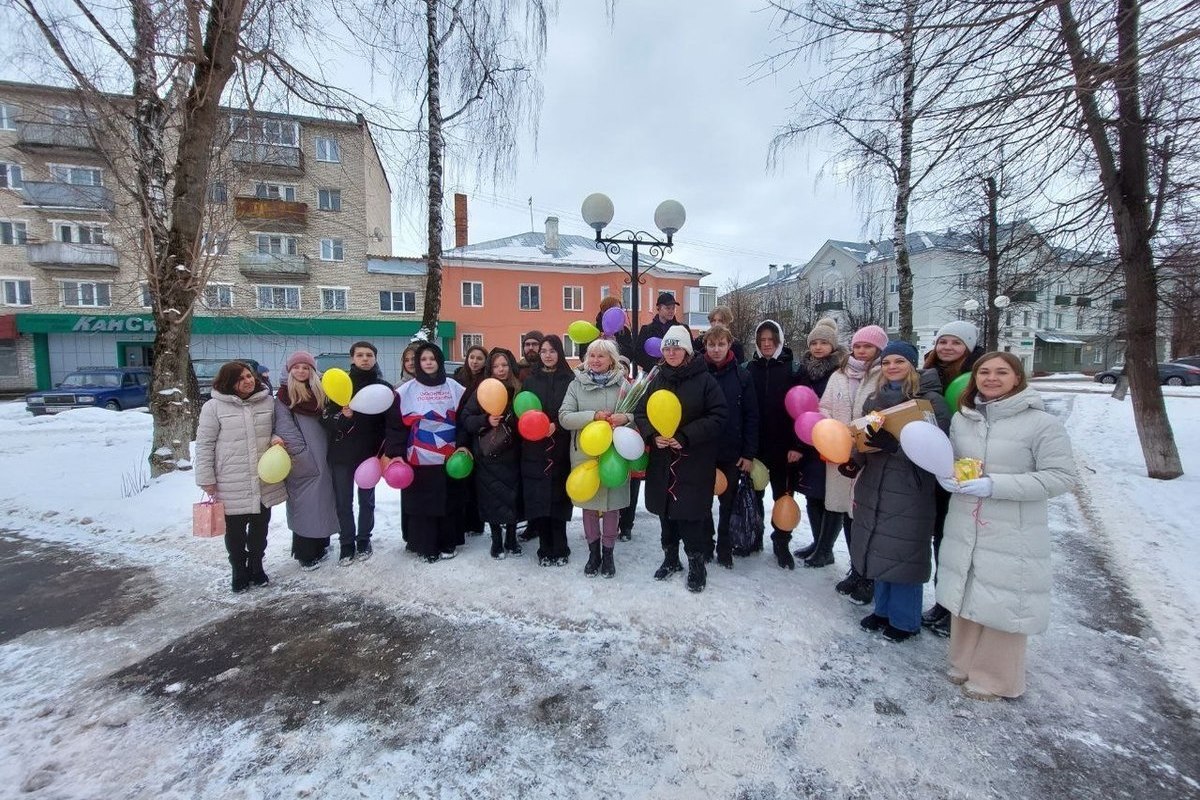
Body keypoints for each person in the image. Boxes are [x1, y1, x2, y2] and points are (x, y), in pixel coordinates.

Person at [936, 353, 1075, 700]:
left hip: (1013, 524)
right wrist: (946, 475)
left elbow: (1061, 477)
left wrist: (996, 484)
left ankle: (996, 677)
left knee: (1004, 600)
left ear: (1018, 378)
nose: (991, 378)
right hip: (967, 516)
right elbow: (951, 459)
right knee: (966, 589)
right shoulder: (963, 418)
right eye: (984, 372)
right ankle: (963, 662)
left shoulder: (1041, 424)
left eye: (1002, 372)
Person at [848, 341, 951, 642]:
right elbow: (863, 438)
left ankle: (905, 620)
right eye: (887, 362)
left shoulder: (930, 402)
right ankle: (882, 610)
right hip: (875, 481)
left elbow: (938, 448)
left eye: (900, 362)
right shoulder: (874, 400)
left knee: (904, 551)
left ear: (913, 365)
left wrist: (896, 448)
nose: (892, 367)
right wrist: (855, 461)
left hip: (910, 487)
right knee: (879, 547)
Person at [636, 325, 728, 592]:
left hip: (694, 460)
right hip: (663, 460)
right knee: (666, 513)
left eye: (676, 347)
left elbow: (719, 415)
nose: (671, 352)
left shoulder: (705, 380)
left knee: (691, 516)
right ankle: (670, 558)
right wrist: (653, 435)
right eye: (667, 348)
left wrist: (686, 435)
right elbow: (641, 413)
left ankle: (696, 565)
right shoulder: (657, 379)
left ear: (687, 350)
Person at [194, 361, 287, 592]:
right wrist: (206, 478)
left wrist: (276, 437)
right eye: (241, 378)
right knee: (235, 532)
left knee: (259, 528)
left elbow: (278, 427)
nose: (248, 381)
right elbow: (204, 445)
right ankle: (238, 569)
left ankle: (256, 566)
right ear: (228, 382)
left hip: (263, 477)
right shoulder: (213, 407)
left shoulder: (267, 401)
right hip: (230, 479)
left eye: (249, 376)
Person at [921, 321, 985, 636]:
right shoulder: (929, 374)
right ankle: (942, 602)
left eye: (955, 342)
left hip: (968, 467)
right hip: (934, 463)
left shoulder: (978, 377)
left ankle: (956, 608)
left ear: (969, 346)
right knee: (940, 536)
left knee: (959, 541)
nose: (947, 347)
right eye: (942, 341)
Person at [818, 324, 887, 603]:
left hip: (868, 456)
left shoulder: (883, 376)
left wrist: (856, 435)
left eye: (867, 346)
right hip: (838, 454)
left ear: (879, 349)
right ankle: (856, 570)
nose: (861, 351)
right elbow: (823, 407)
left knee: (864, 515)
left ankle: (869, 575)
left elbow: (884, 415)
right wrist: (829, 429)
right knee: (847, 514)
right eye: (857, 346)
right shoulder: (839, 374)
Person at [385, 342, 466, 563]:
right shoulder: (405, 391)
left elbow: (464, 420)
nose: (428, 363)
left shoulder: (454, 387)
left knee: (448, 500)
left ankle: (448, 541)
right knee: (422, 503)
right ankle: (425, 545)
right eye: (423, 359)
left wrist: (463, 444)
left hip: (450, 457)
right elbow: (395, 426)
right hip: (418, 457)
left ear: (439, 361)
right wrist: (396, 453)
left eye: (432, 359)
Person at [559, 338, 634, 577]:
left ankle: (609, 554)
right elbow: (565, 417)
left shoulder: (623, 384)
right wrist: (594, 416)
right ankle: (594, 554)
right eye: (591, 356)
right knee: (590, 506)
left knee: (612, 507)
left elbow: (637, 413)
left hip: (614, 454)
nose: (595, 360)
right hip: (585, 453)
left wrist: (626, 419)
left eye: (601, 356)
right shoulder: (576, 384)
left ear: (611, 359)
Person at [322, 341, 392, 564]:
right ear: (352, 358)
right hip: (342, 454)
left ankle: (364, 539)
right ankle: (346, 543)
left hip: (369, 455)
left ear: (375, 358)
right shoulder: (338, 385)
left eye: (369, 355)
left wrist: (384, 450)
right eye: (360, 355)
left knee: (367, 501)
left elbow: (387, 424)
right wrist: (344, 417)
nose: (365, 359)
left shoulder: (383, 388)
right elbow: (325, 419)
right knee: (343, 501)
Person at [272, 351, 340, 570]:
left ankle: (321, 544)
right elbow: (285, 429)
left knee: (322, 504)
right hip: (304, 458)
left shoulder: (319, 391)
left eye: (306, 367)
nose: (301, 371)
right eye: (297, 367)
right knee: (305, 506)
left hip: (325, 454)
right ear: (289, 370)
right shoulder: (284, 396)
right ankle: (305, 552)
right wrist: (302, 455)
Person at [745, 319, 802, 568]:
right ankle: (753, 534)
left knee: (783, 495)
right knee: (754, 493)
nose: (767, 344)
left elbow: (804, 411)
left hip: (784, 446)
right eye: (762, 341)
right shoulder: (748, 368)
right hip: (756, 445)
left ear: (779, 341)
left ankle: (782, 542)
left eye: (771, 340)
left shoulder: (794, 369)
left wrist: (798, 445)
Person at [790, 318, 847, 567]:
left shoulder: (840, 372)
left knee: (831, 498)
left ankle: (826, 548)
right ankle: (817, 542)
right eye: (814, 342)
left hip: (833, 441)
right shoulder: (803, 369)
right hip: (809, 441)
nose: (818, 347)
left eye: (824, 342)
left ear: (833, 346)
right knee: (813, 494)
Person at [702, 324, 758, 568]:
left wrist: (748, 453)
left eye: (721, 344)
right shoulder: (698, 373)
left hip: (731, 450)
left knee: (728, 500)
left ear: (729, 345)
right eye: (711, 345)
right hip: (703, 449)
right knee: (703, 500)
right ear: (705, 346)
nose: (716, 350)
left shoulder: (742, 376)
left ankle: (724, 545)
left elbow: (751, 415)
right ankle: (705, 543)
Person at [460, 348, 523, 558]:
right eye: (496, 366)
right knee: (491, 498)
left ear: (511, 366)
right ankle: (496, 540)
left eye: (504, 365)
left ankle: (512, 538)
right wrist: (485, 420)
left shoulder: (519, 389)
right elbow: (466, 419)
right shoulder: (482, 390)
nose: (500, 369)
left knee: (513, 498)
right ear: (490, 368)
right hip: (488, 455)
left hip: (514, 454)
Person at [520, 335, 575, 566]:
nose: (548, 355)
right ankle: (544, 548)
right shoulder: (531, 380)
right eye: (543, 351)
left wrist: (556, 423)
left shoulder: (570, 379)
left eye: (552, 350)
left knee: (559, 498)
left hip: (561, 447)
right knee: (540, 499)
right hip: (536, 449)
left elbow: (573, 409)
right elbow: (523, 411)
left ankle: (560, 547)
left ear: (559, 353)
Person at [451, 344, 489, 538]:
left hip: (479, 433)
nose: (475, 361)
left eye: (479, 358)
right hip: (458, 431)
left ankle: (476, 523)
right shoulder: (457, 379)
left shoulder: (487, 381)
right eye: (471, 357)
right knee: (461, 480)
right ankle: (463, 521)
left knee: (477, 481)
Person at [634, 292, 680, 373]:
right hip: (653, 374)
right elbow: (638, 355)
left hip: (676, 375)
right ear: (658, 308)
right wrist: (655, 366)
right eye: (668, 308)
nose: (671, 311)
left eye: (673, 308)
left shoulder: (681, 329)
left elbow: (689, 352)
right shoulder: (646, 330)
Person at [596, 295, 637, 367]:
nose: (619, 313)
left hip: (619, 369)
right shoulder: (595, 330)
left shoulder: (624, 331)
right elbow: (584, 354)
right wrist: (598, 344)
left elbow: (630, 354)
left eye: (620, 309)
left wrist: (615, 344)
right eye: (616, 310)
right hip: (596, 370)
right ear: (605, 311)